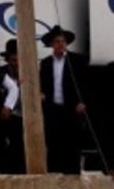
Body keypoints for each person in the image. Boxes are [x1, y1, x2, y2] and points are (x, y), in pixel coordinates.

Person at [38, 25, 90, 175]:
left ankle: (73, 174)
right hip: (53, 108)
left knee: (72, 142)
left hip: (71, 108)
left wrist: (83, 101)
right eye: (57, 41)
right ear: (51, 44)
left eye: (63, 41)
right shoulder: (46, 63)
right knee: (53, 143)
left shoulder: (77, 61)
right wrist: (41, 93)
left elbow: (86, 83)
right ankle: (54, 173)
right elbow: (42, 83)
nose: (60, 44)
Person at [0, 39, 25, 173]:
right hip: (5, 116)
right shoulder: (0, 73)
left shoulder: (30, 72)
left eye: (18, 60)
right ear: (7, 60)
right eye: (13, 60)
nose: (16, 64)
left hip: (23, 115)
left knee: (20, 145)